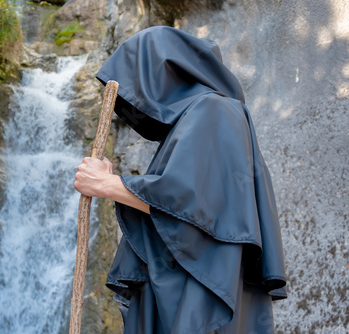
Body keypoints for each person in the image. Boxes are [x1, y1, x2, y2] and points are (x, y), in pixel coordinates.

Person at [74, 26, 287, 334]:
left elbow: (191, 203)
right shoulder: (205, 116)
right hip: (186, 286)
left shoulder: (214, 109)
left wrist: (107, 185)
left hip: (197, 295)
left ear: (160, 72)